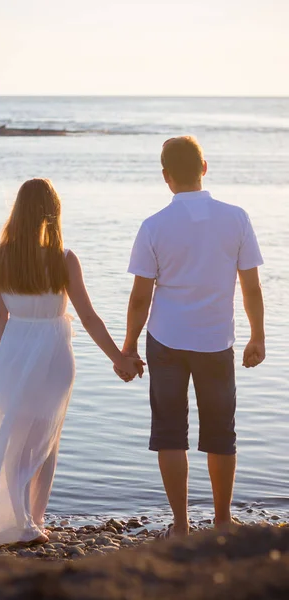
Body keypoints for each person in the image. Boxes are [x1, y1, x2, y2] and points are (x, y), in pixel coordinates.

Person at [0, 178, 143, 548]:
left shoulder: (2, 256)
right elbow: (89, 317)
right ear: (53, 214)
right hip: (54, 354)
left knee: (12, 438)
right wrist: (120, 358)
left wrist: (7, 359)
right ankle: (32, 520)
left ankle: (15, 518)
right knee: (45, 440)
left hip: (12, 351)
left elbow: (0, 315)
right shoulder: (64, 258)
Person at [116, 136, 265, 537]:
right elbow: (250, 287)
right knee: (221, 430)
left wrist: (127, 349)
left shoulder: (153, 226)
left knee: (169, 430)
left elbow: (140, 298)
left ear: (165, 177)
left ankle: (180, 525)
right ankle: (220, 521)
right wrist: (258, 337)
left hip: (165, 341)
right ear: (205, 167)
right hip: (216, 342)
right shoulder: (236, 218)